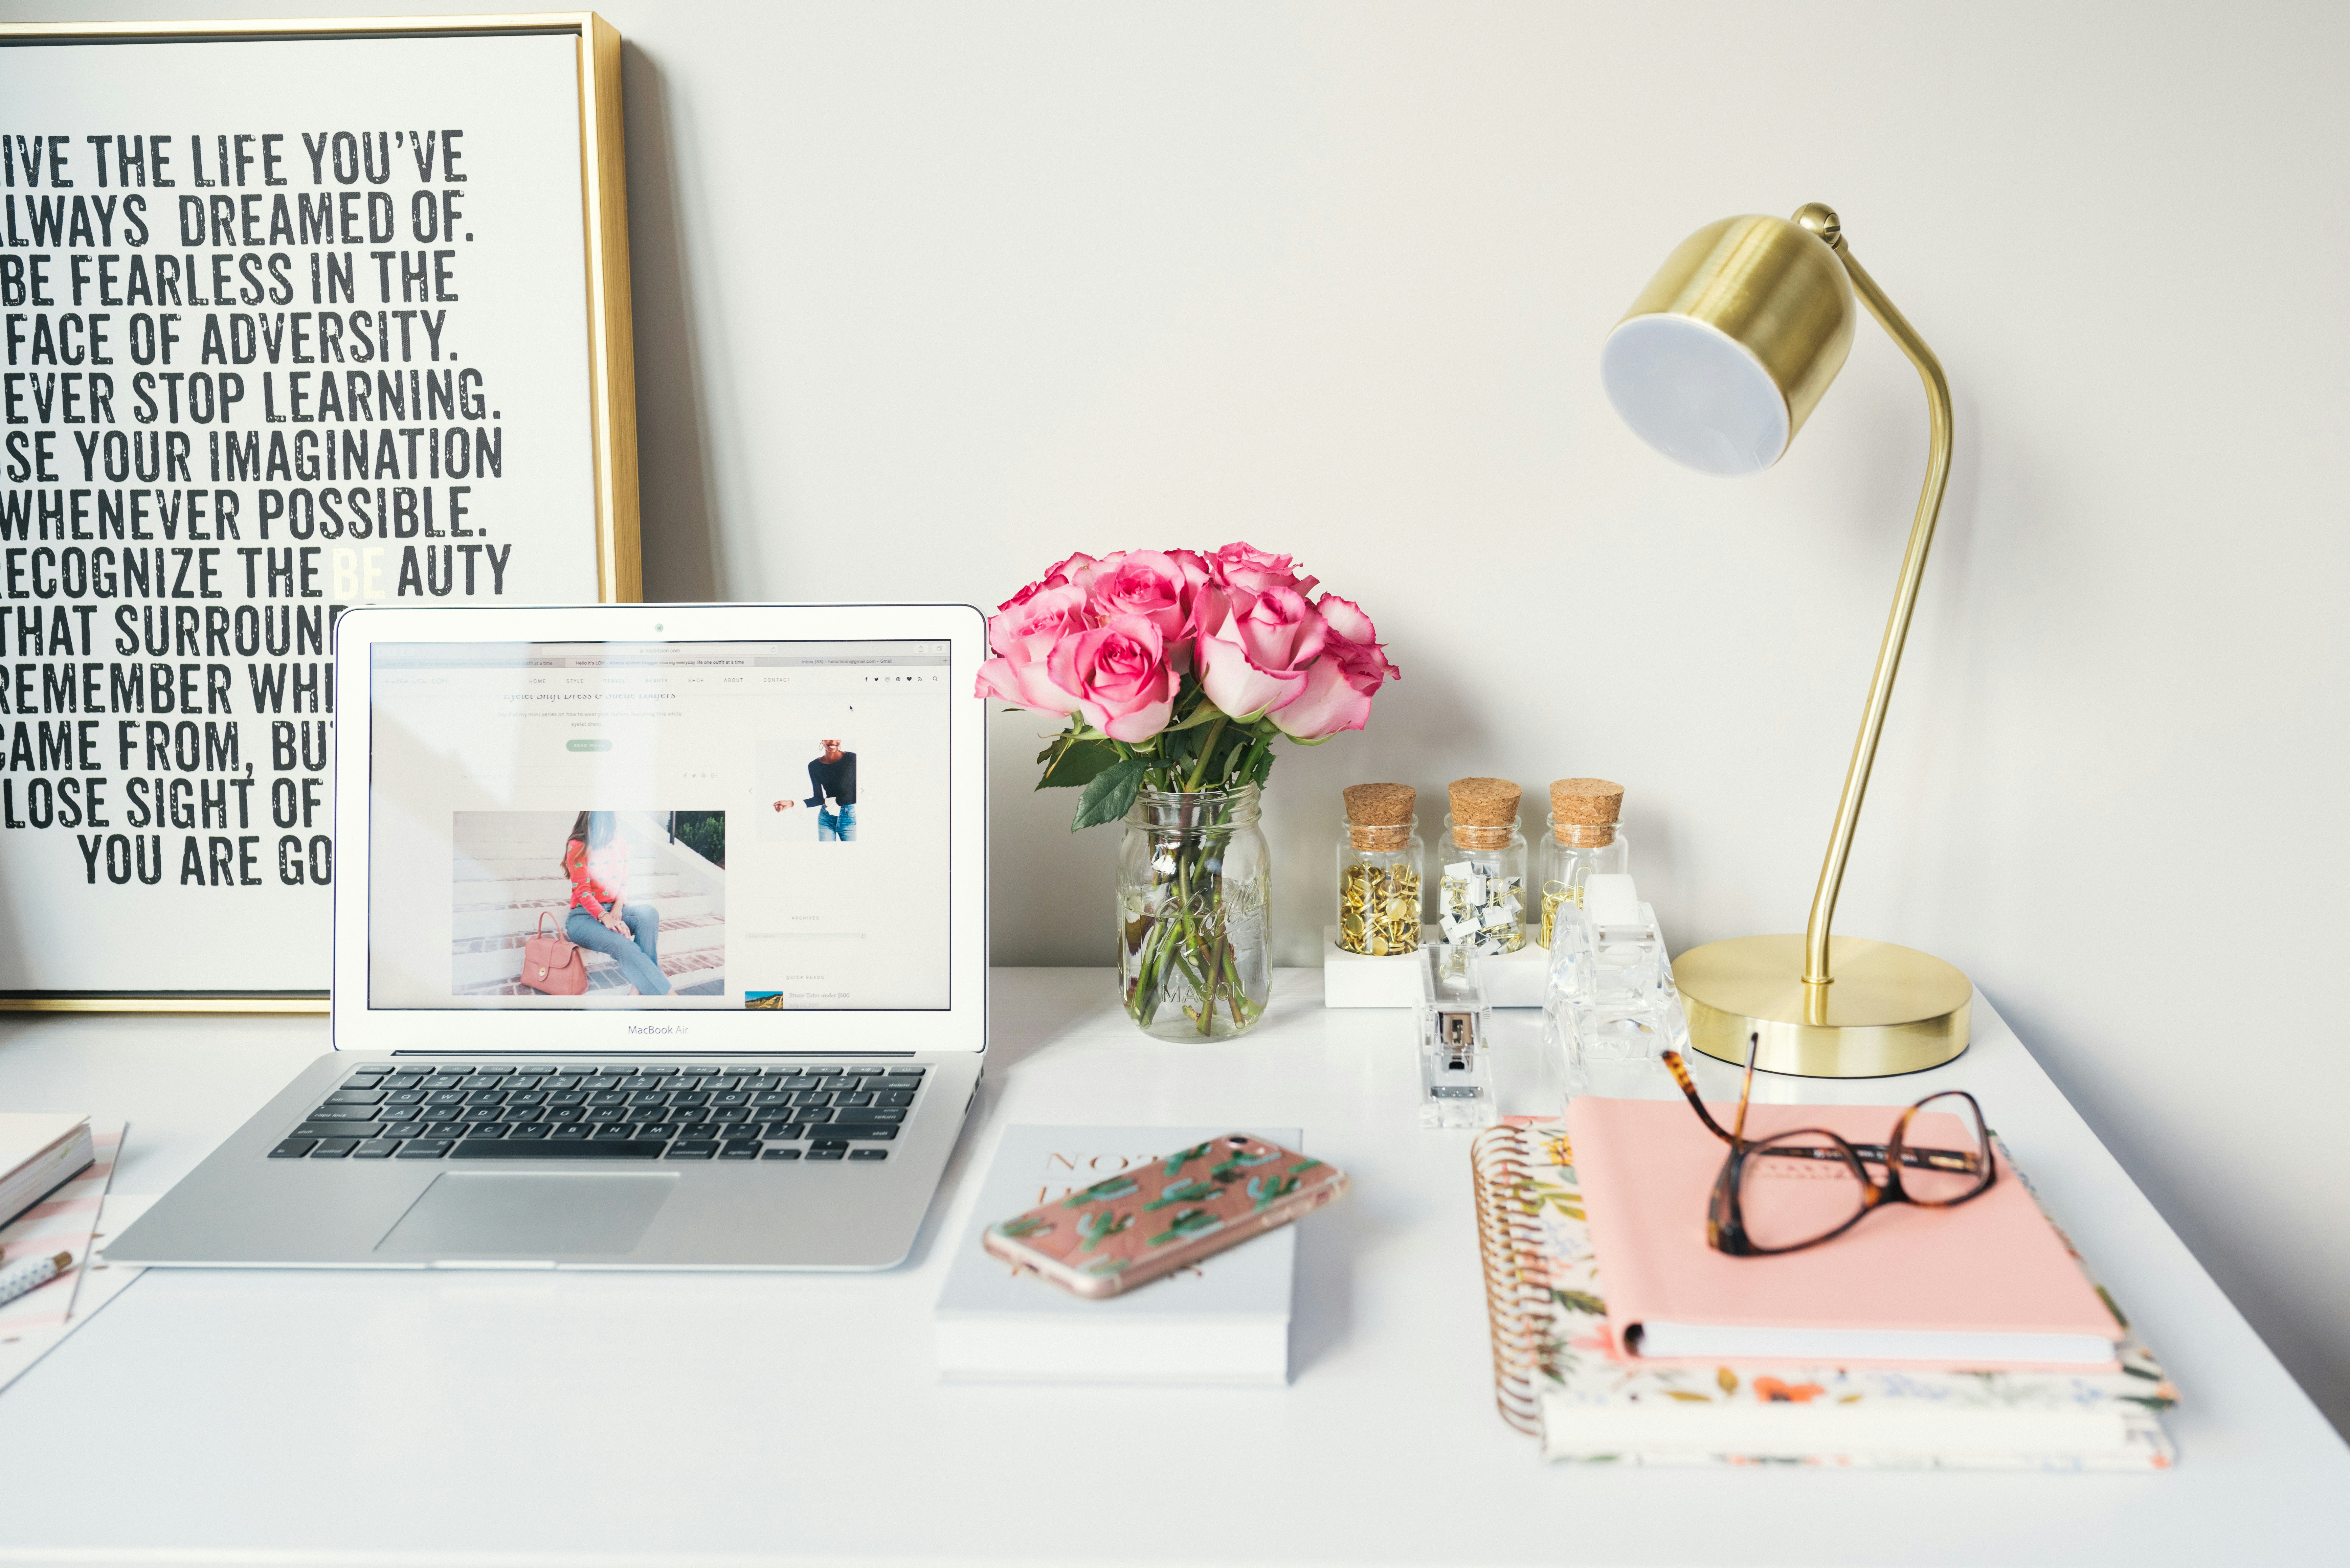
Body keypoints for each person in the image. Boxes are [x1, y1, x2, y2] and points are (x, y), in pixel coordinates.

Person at [560, 811, 671, 995]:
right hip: (583, 917)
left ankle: (637, 989)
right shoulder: (578, 845)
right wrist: (604, 916)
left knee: (648, 914)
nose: (619, 816)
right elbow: (582, 892)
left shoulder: (620, 843)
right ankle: (670, 998)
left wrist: (617, 909)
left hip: (613, 908)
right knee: (624, 944)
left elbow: (624, 882)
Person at [773, 739, 857, 841]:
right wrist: (792, 803)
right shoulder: (814, 766)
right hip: (826, 819)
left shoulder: (852, 759)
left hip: (848, 818)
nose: (833, 741)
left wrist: (832, 801)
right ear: (822, 739)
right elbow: (818, 799)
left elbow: (853, 795)